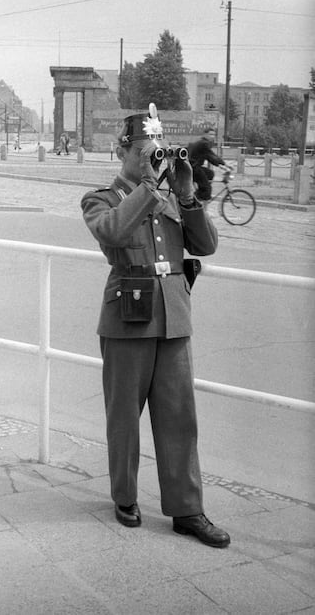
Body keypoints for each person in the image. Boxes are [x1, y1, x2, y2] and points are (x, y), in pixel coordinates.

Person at [80, 105, 231, 548]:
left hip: (174, 318)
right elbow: (112, 233)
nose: (153, 159)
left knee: (180, 419)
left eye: (157, 152)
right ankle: (125, 496)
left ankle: (188, 509)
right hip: (128, 318)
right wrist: (147, 185)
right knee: (124, 417)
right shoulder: (101, 200)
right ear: (121, 150)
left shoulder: (168, 196)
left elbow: (206, 245)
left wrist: (186, 195)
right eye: (144, 151)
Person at [188, 128, 228, 203]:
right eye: (210, 134)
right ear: (205, 134)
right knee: (207, 189)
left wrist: (221, 165)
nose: (212, 136)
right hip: (194, 168)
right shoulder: (204, 144)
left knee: (210, 173)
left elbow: (209, 156)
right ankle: (195, 200)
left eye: (214, 135)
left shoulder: (202, 142)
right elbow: (211, 156)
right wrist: (223, 164)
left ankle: (200, 190)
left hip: (193, 167)